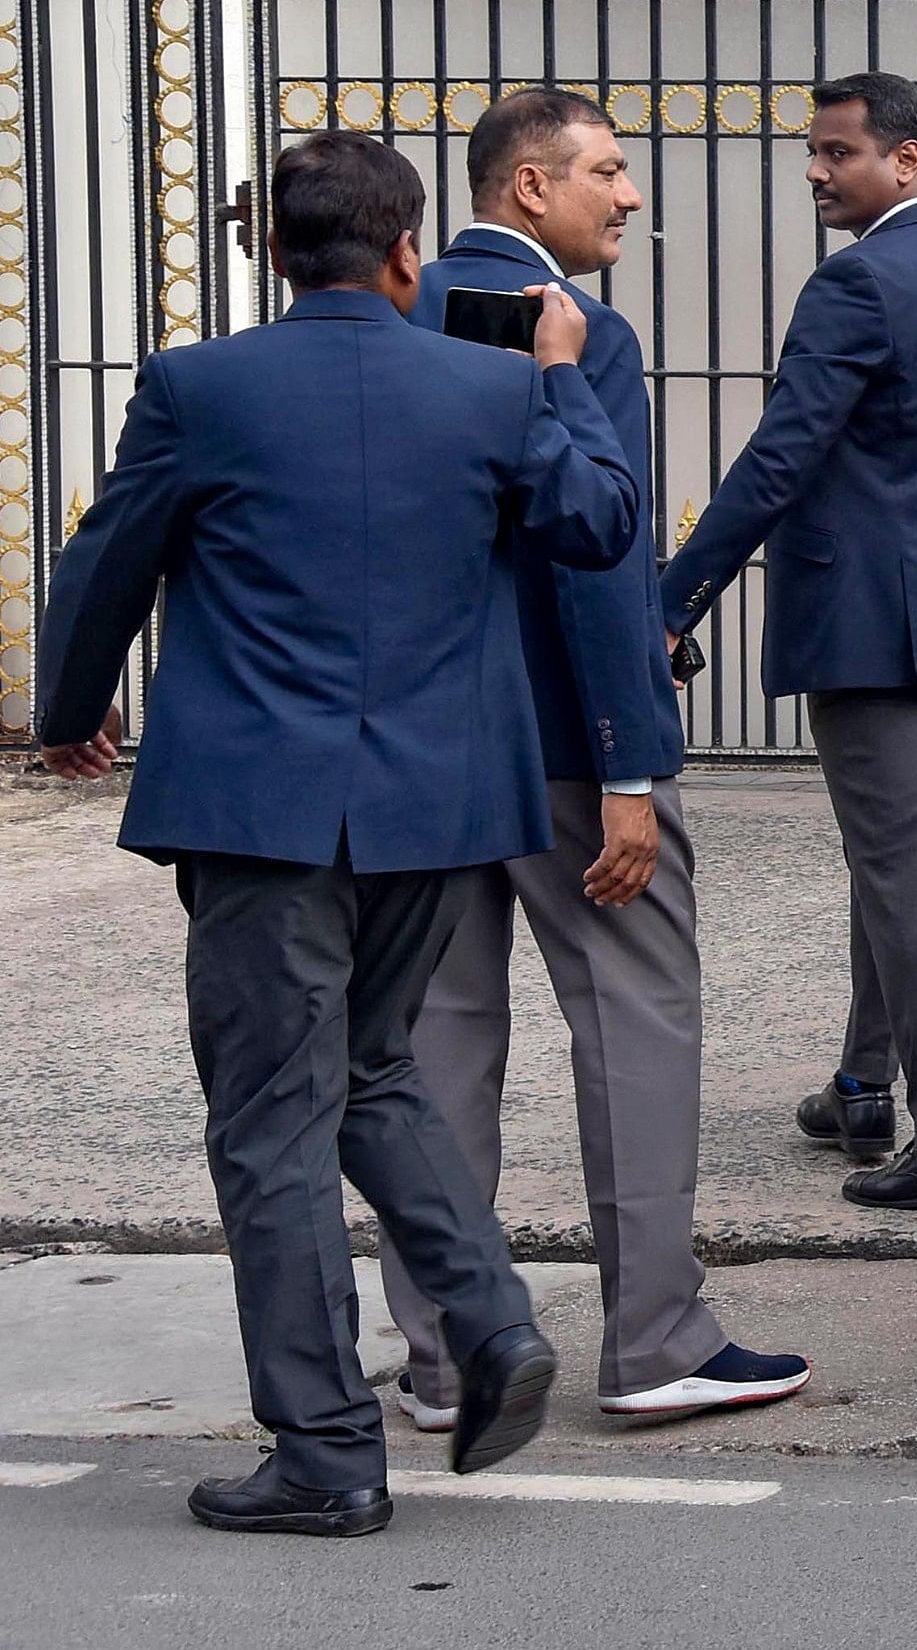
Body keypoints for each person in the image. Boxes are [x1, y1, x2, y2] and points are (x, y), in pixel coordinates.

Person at [32, 132, 631, 1532]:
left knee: (270, 1120)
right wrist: (559, 374)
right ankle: (489, 1323)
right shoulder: (491, 385)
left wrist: (72, 706)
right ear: (408, 248)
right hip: (437, 805)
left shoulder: (200, 386)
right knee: (369, 1072)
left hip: (259, 806)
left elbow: (108, 556)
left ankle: (323, 1449)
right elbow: (599, 528)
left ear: (274, 252)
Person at [378, 91, 810, 1433]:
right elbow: (597, 564)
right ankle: (653, 1340)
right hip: (569, 741)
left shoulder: (392, 315)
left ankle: (450, 1358)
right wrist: (630, 759)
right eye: (607, 172)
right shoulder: (578, 335)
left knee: (437, 1043)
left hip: (426, 752)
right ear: (526, 188)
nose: (627, 196)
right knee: (635, 1018)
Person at [661, 73, 917, 1215]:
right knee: (903, 850)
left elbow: (782, 455)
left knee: (904, 868)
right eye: (815, 153)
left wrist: (676, 595)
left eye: (838, 152)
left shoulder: (855, 282)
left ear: (909, 160)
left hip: (872, 621)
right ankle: (864, 1081)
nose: (818, 171)